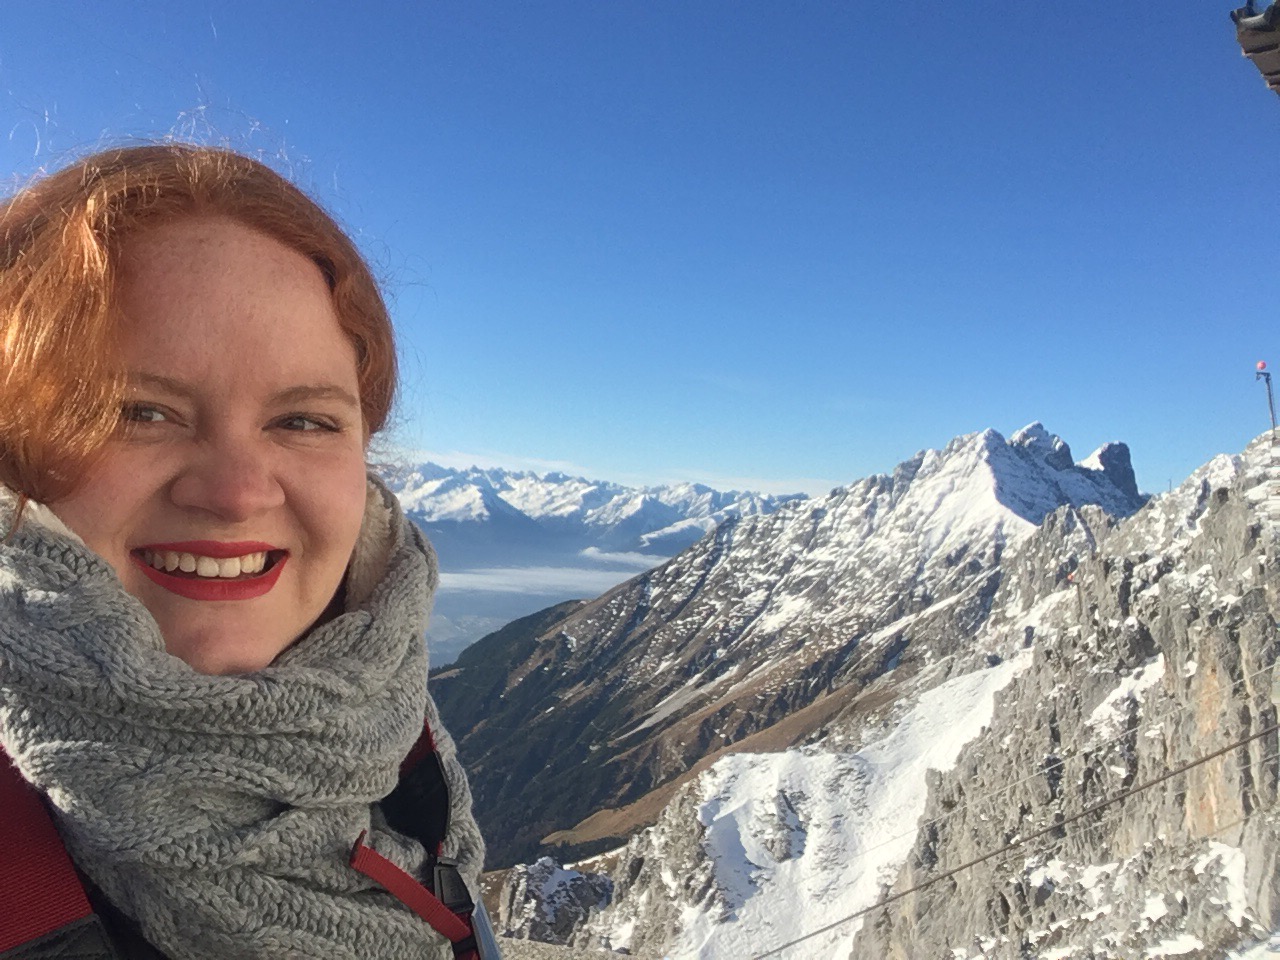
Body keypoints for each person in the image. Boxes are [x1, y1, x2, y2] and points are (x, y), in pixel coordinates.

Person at [0, 144, 498, 959]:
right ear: (11, 453)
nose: (236, 493)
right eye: (138, 412)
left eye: (303, 421)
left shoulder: (406, 758)